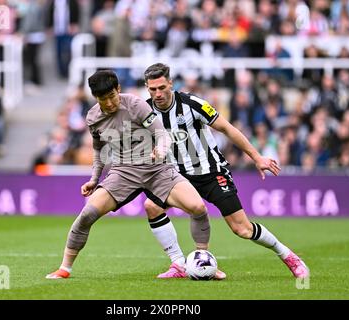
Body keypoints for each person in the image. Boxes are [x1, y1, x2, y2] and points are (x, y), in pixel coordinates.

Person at [46, 70, 219, 279]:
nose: (109, 103)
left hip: (157, 168)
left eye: (112, 96)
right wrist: (94, 178)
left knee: (198, 207)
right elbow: (99, 150)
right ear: (95, 97)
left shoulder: (136, 105)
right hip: (123, 173)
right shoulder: (93, 117)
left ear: (118, 89)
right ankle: (65, 268)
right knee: (87, 214)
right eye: (103, 99)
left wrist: (162, 148)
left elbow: (160, 133)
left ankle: (203, 261)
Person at [142, 63, 309, 279]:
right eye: (152, 89)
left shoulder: (192, 104)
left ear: (171, 84)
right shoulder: (146, 112)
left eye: (161, 88)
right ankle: (179, 265)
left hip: (211, 172)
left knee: (242, 229)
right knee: (152, 206)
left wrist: (257, 157)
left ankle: (288, 256)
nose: (157, 94)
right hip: (177, 176)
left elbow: (227, 129)